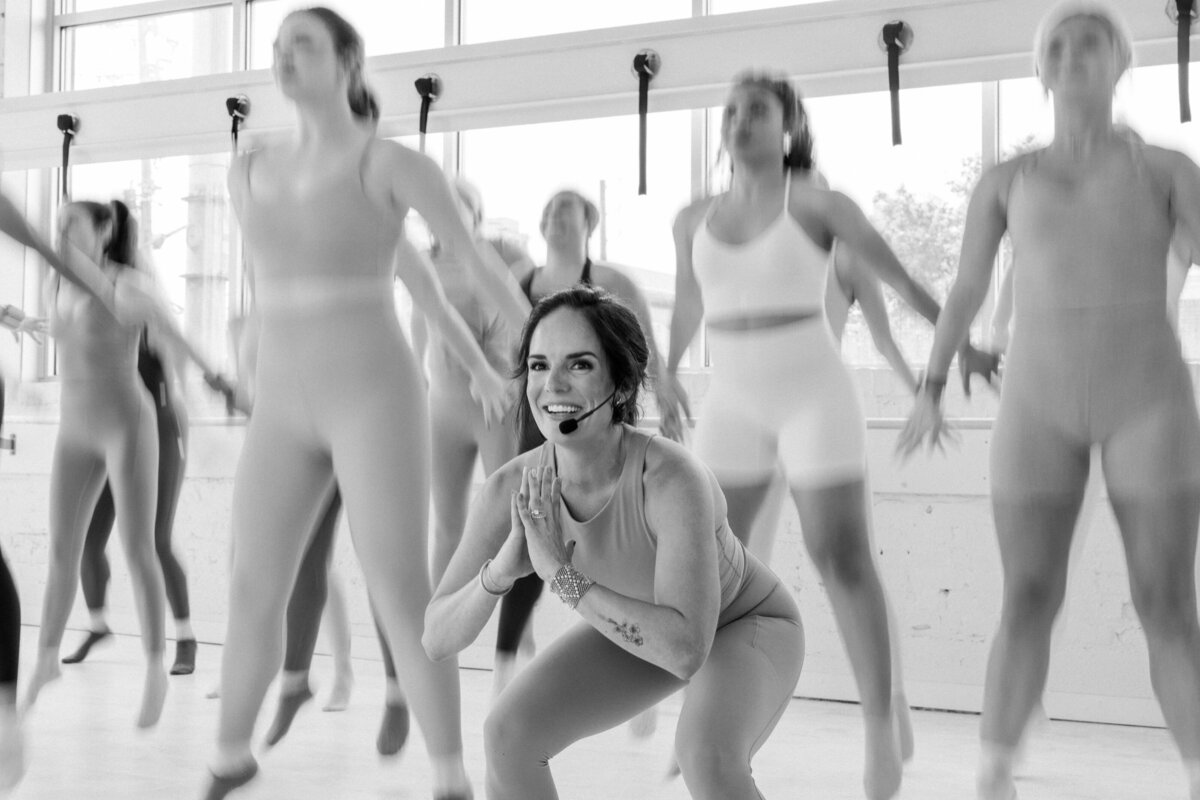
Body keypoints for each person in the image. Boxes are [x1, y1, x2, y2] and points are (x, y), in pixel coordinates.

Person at [203, 7, 527, 799]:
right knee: (252, 582)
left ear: (349, 61)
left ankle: (451, 776)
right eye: (276, 50)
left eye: (303, 47)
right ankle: (227, 756)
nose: (283, 60)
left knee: (400, 586)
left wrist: (553, 345)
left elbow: (475, 265)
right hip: (282, 404)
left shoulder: (393, 166)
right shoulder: (246, 168)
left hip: (373, 398)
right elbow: (266, 288)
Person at [660, 70, 995, 800]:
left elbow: (902, 282)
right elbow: (689, 307)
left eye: (758, 110)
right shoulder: (692, 218)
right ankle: (710, 717)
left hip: (812, 388)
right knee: (719, 566)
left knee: (840, 555)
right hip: (734, 396)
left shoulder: (818, 204)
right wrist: (663, 366)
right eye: (733, 110)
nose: (741, 120)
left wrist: (958, 348)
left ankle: (882, 722)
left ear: (789, 125)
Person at [898, 5, 1200, 799]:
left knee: (1167, 603)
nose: (1073, 55)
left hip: (1150, 401)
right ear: (1040, 70)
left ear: (1121, 62)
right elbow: (965, 286)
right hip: (1038, 403)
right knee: (1028, 596)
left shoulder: (1168, 169)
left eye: (1091, 42)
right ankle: (993, 780)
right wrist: (930, 384)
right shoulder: (1007, 180)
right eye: (1057, 46)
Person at [425, 286, 803, 800]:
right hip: (643, 622)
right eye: (538, 365)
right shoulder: (509, 489)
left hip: (742, 624)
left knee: (705, 754)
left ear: (621, 386)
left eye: (578, 365)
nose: (551, 383)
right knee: (508, 735)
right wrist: (498, 575)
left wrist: (561, 575)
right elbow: (436, 637)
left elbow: (684, 650)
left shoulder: (671, 479)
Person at [493, 188, 669, 696]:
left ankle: (643, 663)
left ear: (588, 222)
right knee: (529, 534)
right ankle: (505, 673)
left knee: (614, 550)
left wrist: (664, 390)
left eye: (565, 208)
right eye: (546, 208)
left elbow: (642, 349)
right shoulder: (520, 282)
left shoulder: (610, 282)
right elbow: (512, 354)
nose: (552, 216)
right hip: (535, 428)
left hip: (599, 431)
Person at [24, 200, 176, 729]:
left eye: (73, 224)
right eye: (57, 223)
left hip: (125, 425)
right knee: (62, 550)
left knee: (139, 548)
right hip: (74, 429)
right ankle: (45, 659)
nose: (61, 230)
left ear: (105, 229)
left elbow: (152, 321)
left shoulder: (127, 282)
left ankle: (156, 667)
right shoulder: (55, 283)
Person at [62, 323, 199, 675]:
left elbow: (174, 375)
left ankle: (185, 638)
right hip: (111, 427)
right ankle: (98, 625)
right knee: (87, 540)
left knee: (157, 540)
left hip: (161, 427)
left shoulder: (144, 318)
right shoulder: (90, 318)